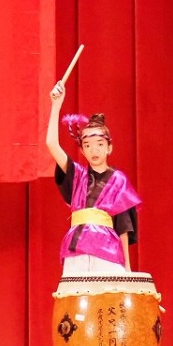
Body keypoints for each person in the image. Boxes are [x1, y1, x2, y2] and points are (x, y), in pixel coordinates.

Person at [46, 81, 141, 273]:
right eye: (87, 145)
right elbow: (51, 144)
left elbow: (123, 226)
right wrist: (55, 106)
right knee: (75, 299)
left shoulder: (118, 180)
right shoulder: (77, 175)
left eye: (99, 144)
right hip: (76, 248)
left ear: (109, 147)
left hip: (107, 249)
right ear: (82, 149)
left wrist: (128, 268)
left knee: (107, 300)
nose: (94, 150)